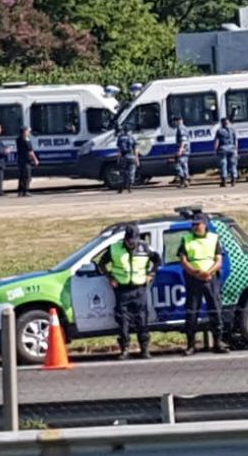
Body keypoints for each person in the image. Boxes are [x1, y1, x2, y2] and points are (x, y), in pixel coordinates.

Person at [95, 224, 161, 359]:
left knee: (142, 320)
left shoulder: (145, 247)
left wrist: (151, 274)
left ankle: (144, 349)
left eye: (134, 240)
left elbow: (157, 260)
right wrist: (110, 278)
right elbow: (102, 263)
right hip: (122, 290)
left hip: (139, 289)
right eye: (129, 240)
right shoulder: (115, 248)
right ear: (125, 239)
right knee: (123, 321)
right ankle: (125, 350)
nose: (132, 243)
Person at [178, 213, 226, 355]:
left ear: (205, 224)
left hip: (210, 279)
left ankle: (218, 342)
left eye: (198, 224)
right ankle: (191, 345)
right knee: (192, 312)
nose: (195, 227)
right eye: (193, 224)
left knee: (215, 310)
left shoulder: (214, 239)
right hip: (194, 279)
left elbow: (219, 261)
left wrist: (209, 272)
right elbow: (183, 260)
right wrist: (194, 272)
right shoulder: (186, 239)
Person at [16, 126, 39, 198]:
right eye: (28, 131)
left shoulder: (18, 139)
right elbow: (30, 151)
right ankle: (26, 191)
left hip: (20, 159)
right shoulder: (26, 140)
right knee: (27, 177)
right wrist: (35, 159)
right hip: (26, 160)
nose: (29, 132)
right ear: (24, 132)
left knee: (21, 176)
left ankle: (20, 191)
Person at [214, 117, 238, 187]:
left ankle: (224, 181)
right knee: (233, 165)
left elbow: (217, 141)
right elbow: (236, 141)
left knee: (223, 165)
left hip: (223, 149)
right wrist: (236, 149)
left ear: (222, 123)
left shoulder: (219, 131)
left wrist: (215, 150)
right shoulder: (233, 130)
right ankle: (233, 181)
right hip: (232, 148)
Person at [115, 124, 139, 193]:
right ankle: (129, 186)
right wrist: (137, 159)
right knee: (131, 172)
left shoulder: (120, 138)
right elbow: (136, 149)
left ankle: (121, 188)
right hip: (131, 156)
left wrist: (118, 159)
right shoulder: (132, 137)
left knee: (122, 173)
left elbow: (119, 150)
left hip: (123, 157)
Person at [173, 115, 192, 188]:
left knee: (178, 165)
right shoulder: (185, 128)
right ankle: (186, 180)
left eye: (175, 121)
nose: (174, 123)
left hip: (183, 150)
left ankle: (183, 180)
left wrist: (180, 150)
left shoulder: (180, 128)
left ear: (178, 121)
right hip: (186, 150)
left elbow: (183, 141)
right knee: (184, 165)